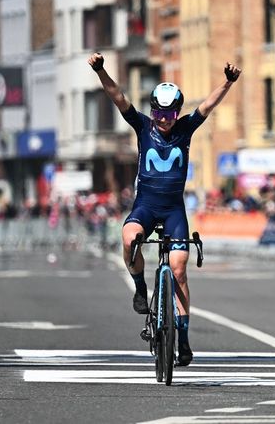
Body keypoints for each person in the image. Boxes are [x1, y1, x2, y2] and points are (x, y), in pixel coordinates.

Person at [88, 52, 241, 367]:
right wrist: (101, 70)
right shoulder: (142, 127)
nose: (164, 119)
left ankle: (183, 341)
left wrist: (227, 82)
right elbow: (118, 97)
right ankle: (141, 288)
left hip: (173, 211)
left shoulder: (185, 129)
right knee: (130, 239)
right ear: (153, 110)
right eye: (159, 112)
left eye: (170, 114)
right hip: (145, 206)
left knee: (180, 270)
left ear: (177, 112)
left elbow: (208, 106)